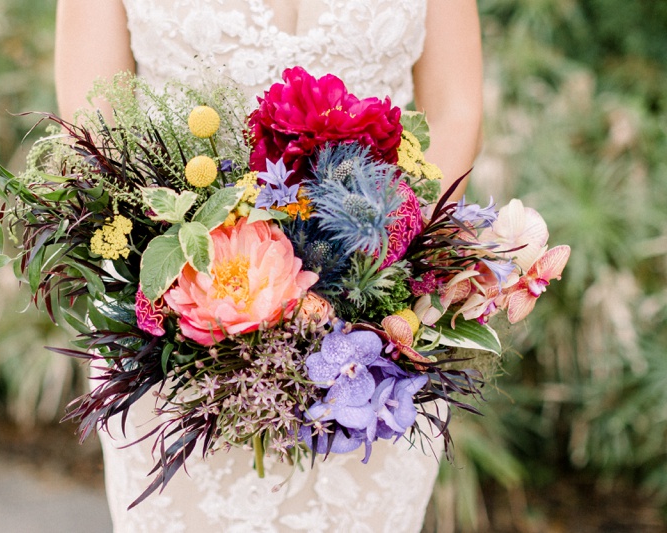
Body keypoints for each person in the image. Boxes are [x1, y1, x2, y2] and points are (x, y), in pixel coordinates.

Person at [54, 1, 482, 531]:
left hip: (371, 344)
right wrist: (206, 290)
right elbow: (95, 126)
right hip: (185, 331)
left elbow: (455, 110)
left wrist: (385, 262)